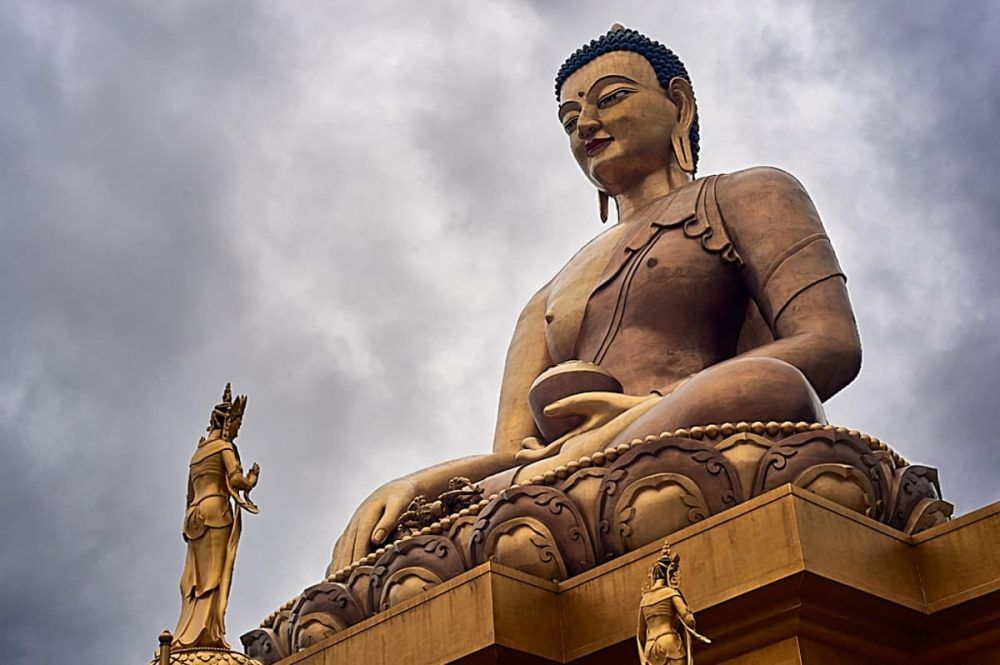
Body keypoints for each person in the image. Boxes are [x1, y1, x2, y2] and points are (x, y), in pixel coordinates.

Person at [328, 25, 861, 574]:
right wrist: (414, 484)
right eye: (568, 120)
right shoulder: (547, 297)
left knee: (767, 386)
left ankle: (568, 484)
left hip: (697, 438)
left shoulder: (747, 194)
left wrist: (647, 410)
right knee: (401, 536)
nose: (585, 123)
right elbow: (517, 455)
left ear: (679, 106)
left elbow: (829, 344)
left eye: (611, 98)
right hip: (564, 480)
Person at [174, 384, 260, 649]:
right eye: (236, 425)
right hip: (215, 511)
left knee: (195, 575)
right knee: (214, 573)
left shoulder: (196, 454)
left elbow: (189, 494)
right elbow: (236, 479)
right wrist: (251, 480)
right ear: (228, 423)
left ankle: (188, 630)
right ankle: (207, 631)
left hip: (193, 515)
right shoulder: (224, 448)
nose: (236, 431)